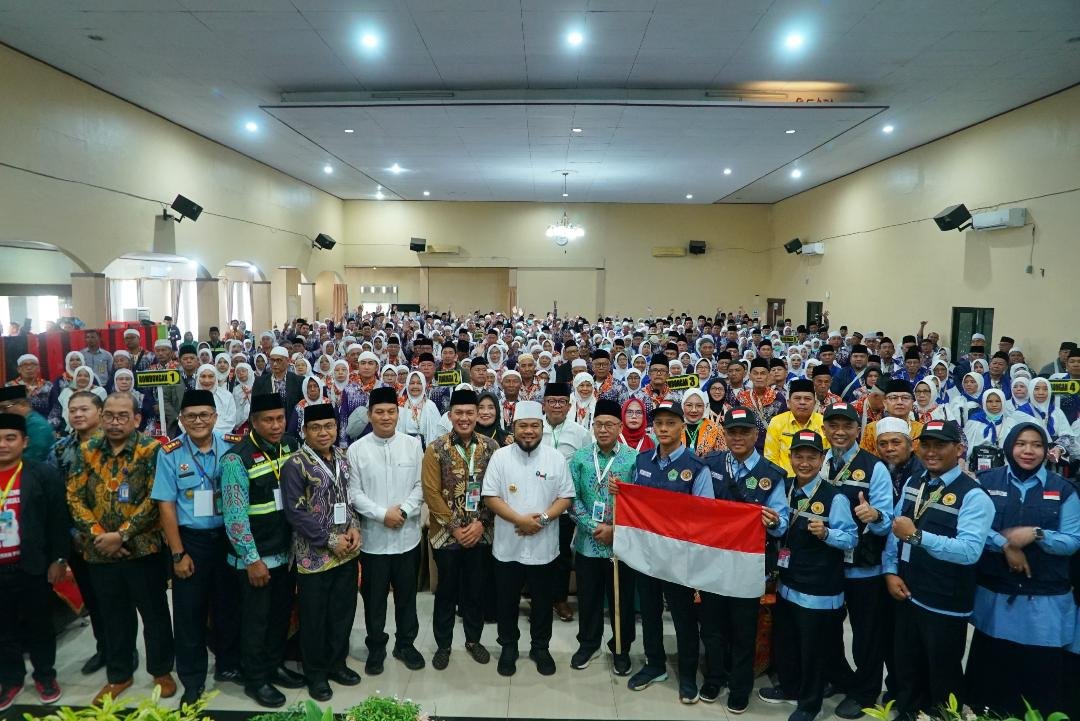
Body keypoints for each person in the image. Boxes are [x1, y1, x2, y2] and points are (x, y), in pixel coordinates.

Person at [66, 393, 176, 704]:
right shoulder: (87, 451)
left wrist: (123, 535)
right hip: (100, 551)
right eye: (110, 416)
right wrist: (101, 535)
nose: (115, 422)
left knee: (154, 614)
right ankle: (119, 675)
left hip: (143, 549)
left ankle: (161, 670)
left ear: (136, 419)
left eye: (122, 416)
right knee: (113, 616)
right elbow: (74, 497)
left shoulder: (150, 450)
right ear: (102, 418)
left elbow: (157, 497)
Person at [965, 421, 1080, 716]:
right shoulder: (985, 481)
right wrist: (1006, 544)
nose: (1028, 451)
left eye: (1037, 445)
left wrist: (1037, 533)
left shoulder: (1063, 490)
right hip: (995, 594)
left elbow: (1071, 541)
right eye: (1021, 443)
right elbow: (973, 529)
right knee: (994, 666)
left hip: (1044, 599)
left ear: (1046, 449)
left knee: (1038, 672)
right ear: (1008, 446)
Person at [883, 420, 994, 720]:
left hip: (945, 600)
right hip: (908, 591)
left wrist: (918, 537)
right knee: (907, 665)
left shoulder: (974, 495)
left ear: (958, 449)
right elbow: (896, 529)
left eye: (940, 445)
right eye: (926, 445)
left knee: (942, 672)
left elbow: (970, 552)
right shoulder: (914, 483)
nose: (931, 452)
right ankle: (907, 712)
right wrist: (890, 571)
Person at [151, 390, 243, 706]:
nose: (199, 421)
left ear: (215, 417)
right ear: (182, 420)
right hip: (191, 542)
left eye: (205, 415)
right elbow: (165, 505)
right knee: (190, 614)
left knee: (228, 606)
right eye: (191, 416)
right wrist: (178, 553)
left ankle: (229, 665)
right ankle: (192, 680)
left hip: (228, 539)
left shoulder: (232, 446)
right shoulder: (170, 453)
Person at [757, 430, 857, 721]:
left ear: (821, 458)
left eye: (811, 457)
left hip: (820, 588)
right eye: (798, 456)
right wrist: (773, 523)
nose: (804, 462)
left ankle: (810, 704)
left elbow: (851, 539)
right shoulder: (784, 487)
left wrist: (827, 533)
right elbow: (779, 528)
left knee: (813, 649)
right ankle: (789, 687)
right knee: (787, 641)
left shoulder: (833, 497)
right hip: (788, 582)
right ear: (789, 458)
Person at [699, 407, 789, 713]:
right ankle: (713, 677)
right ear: (725, 434)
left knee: (743, 628)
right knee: (711, 625)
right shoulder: (707, 465)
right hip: (712, 561)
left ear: (755, 434)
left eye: (744, 432)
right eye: (732, 432)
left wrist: (774, 521)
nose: (738, 438)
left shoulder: (772, 474)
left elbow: (783, 523)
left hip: (749, 565)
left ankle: (740, 686)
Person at [220, 393, 305, 708]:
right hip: (255, 560)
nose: (275, 425)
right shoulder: (236, 459)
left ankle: (274, 665)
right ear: (253, 422)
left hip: (286, 553)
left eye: (280, 418)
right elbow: (235, 517)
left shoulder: (291, 446)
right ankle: (256, 679)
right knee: (256, 620)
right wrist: (252, 559)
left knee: (280, 616)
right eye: (268, 420)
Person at [626, 399, 713, 704]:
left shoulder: (696, 467)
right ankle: (654, 665)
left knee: (683, 617)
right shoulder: (642, 462)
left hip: (680, 559)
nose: (663, 429)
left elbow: (705, 517)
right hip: (648, 556)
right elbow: (636, 506)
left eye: (671, 423)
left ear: (681, 427)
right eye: (659, 424)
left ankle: (687, 675)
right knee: (648, 612)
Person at [481, 400, 575, 677]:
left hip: (544, 547)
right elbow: (490, 496)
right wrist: (520, 520)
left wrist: (543, 520)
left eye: (534, 426)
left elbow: (566, 497)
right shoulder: (500, 457)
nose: (529, 431)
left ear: (542, 427)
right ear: (515, 427)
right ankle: (508, 646)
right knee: (506, 601)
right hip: (507, 547)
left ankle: (540, 647)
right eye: (523, 426)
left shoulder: (555, 458)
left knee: (543, 602)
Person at [817, 403, 895, 719]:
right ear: (824, 429)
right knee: (830, 628)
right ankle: (839, 677)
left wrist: (874, 515)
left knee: (865, 634)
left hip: (863, 565)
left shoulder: (874, 467)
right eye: (833, 425)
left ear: (857, 430)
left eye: (846, 426)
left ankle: (865, 692)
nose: (839, 431)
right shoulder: (819, 459)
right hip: (828, 562)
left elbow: (888, 520)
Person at [281, 402, 362, 702]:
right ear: (304, 431)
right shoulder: (295, 464)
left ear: (337, 428)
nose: (323, 432)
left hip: (347, 551)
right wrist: (330, 541)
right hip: (313, 556)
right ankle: (315, 674)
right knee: (315, 617)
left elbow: (348, 498)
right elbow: (295, 513)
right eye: (316, 427)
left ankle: (337, 664)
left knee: (343, 613)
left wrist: (354, 527)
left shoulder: (342, 456)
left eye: (329, 426)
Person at [347, 386, 425, 674]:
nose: (385, 417)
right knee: (374, 598)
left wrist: (402, 511)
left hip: (407, 536)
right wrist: (382, 515)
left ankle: (406, 643)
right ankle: (376, 646)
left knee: (407, 596)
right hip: (374, 541)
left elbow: (421, 486)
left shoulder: (413, 444)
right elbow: (354, 493)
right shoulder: (357, 450)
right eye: (379, 412)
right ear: (369, 415)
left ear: (398, 413)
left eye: (391, 411)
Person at [421, 388, 499, 670]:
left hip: (482, 533)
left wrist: (481, 523)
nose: (464, 418)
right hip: (445, 536)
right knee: (446, 591)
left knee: (475, 590)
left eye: (470, 413)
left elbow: (496, 490)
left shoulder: (491, 448)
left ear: (478, 415)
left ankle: (473, 640)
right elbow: (431, 493)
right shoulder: (436, 448)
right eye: (459, 413)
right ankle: (443, 645)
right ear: (450, 415)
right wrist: (456, 528)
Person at [0, 413, 68, 711]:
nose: (2, 444)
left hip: (32, 565)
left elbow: (57, 521)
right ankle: (11, 679)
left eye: (10, 438)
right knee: (3, 629)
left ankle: (45, 675)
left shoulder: (42, 474)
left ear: (24, 441)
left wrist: (59, 559)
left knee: (40, 625)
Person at [567, 398, 638, 676]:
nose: (604, 429)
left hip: (621, 546)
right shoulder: (581, 457)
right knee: (589, 597)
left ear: (620, 426)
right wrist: (593, 526)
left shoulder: (632, 458)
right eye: (598, 424)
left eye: (609, 424)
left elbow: (639, 502)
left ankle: (621, 648)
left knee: (622, 599)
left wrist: (614, 530)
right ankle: (588, 643)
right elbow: (571, 498)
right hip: (588, 543)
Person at [46, 391, 110, 675]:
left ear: (100, 412)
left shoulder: (114, 446)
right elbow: (55, 497)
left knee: (115, 600)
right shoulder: (59, 450)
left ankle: (125, 650)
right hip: (78, 538)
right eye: (73, 410)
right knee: (93, 599)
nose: (78, 414)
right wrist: (73, 532)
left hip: (111, 537)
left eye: (85, 409)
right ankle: (104, 649)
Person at [540, 382, 589, 623]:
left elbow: (587, 467)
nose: (557, 406)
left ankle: (559, 599)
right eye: (552, 401)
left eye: (561, 402)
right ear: (544, 405)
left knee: (560, 554)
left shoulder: (580, 433)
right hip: (535, 501)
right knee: (536, 551)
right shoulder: (534, 428)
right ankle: (539, 598)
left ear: (569, 406)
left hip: (565, 504)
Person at [764, 379, 826, 476]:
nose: (802, 402)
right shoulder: (777, 422)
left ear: (815, 403)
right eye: (797, 398)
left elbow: (827, 458)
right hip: (784, 481)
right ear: (788, 403)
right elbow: (770, 458)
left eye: (807, 399)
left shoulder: (823, 423)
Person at [0, 386, 53, 464]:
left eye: (5, 408)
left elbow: (31, 460)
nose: (2, 412)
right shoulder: (22, 422)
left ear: (23, 404)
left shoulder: (37, 426)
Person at [252, 347, 303, 427]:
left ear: (288, 361)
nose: (275, 364)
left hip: (292, 427)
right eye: (272, 360)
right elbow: (254, 409)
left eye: (279, 360)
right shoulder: (260, 382)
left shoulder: (298, 381)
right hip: (268, 427)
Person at [397, 370, 441, 446]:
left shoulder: (430, 405)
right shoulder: (401, 405)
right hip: (404, 447)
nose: (415, 386)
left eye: (419, 383)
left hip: (425, 449)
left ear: (424, 385)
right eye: (412, 383)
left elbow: (437, 432)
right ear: (407, 385)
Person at [680, 389, 726, 455]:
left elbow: (722, 457)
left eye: (699, 406)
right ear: (682, 406)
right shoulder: (676, 428)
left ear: (705, 407)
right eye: (689, 405)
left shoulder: (716, 428)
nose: (694, 410)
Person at [5, 354, 52, 418]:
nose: (29, 368)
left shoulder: (48, 385)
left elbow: (55, 407)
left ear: (38, 368)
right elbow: (6, 408)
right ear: (19, 369)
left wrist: (48, 425)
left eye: (33, 364)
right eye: (25, 365)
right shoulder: (9, 386)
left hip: (44, 423)